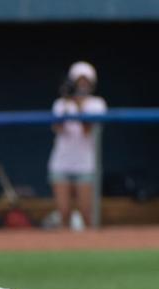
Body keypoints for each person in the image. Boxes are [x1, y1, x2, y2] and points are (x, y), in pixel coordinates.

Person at [48, 61, 106, 230]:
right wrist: (68, 102)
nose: (82, 85)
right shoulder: (61, 103)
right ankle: (62, 253)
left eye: (85, 81)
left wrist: (79, 104)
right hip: (61, 162)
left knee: (87, 214)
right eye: (78, 81)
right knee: (63, 213)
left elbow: (87, 129)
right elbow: (57, 128)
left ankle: (92, 252)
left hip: (85, 164)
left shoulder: (97, 103)